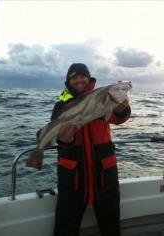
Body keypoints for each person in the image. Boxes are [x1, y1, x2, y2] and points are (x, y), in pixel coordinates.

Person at [51, 63, 131, 236]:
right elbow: (58, 139)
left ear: (88, 78)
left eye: (82, 76)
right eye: (74, 77)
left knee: (110, 223)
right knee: (66, 225)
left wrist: (121, 109)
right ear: (68, 81)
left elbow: (118, 119)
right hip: (73, 175)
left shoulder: (102, 98)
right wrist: (66, 139)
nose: (79, 80)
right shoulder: (60, 106)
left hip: (104, 172)